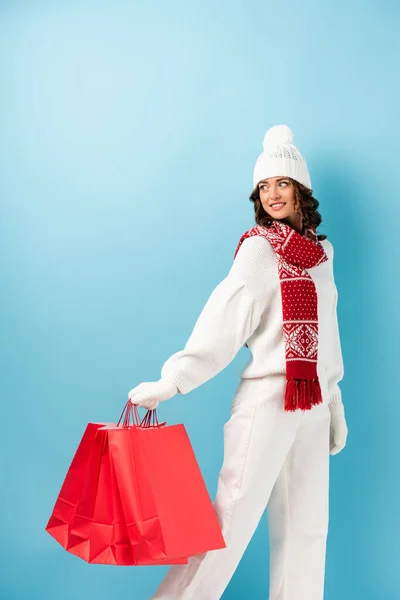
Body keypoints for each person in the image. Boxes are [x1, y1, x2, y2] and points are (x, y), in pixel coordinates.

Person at [128, 124, 348, 600]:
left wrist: (334, 400)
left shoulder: (323, 255)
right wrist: (174, 380)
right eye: (264, 186)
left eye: (282, 183)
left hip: (311, 405)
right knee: (227, 526)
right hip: (269, 400)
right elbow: (223, 322)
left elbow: (327, 337)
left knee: (308, 531)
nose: (272, 194)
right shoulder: (259, 250)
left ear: (301, 189)